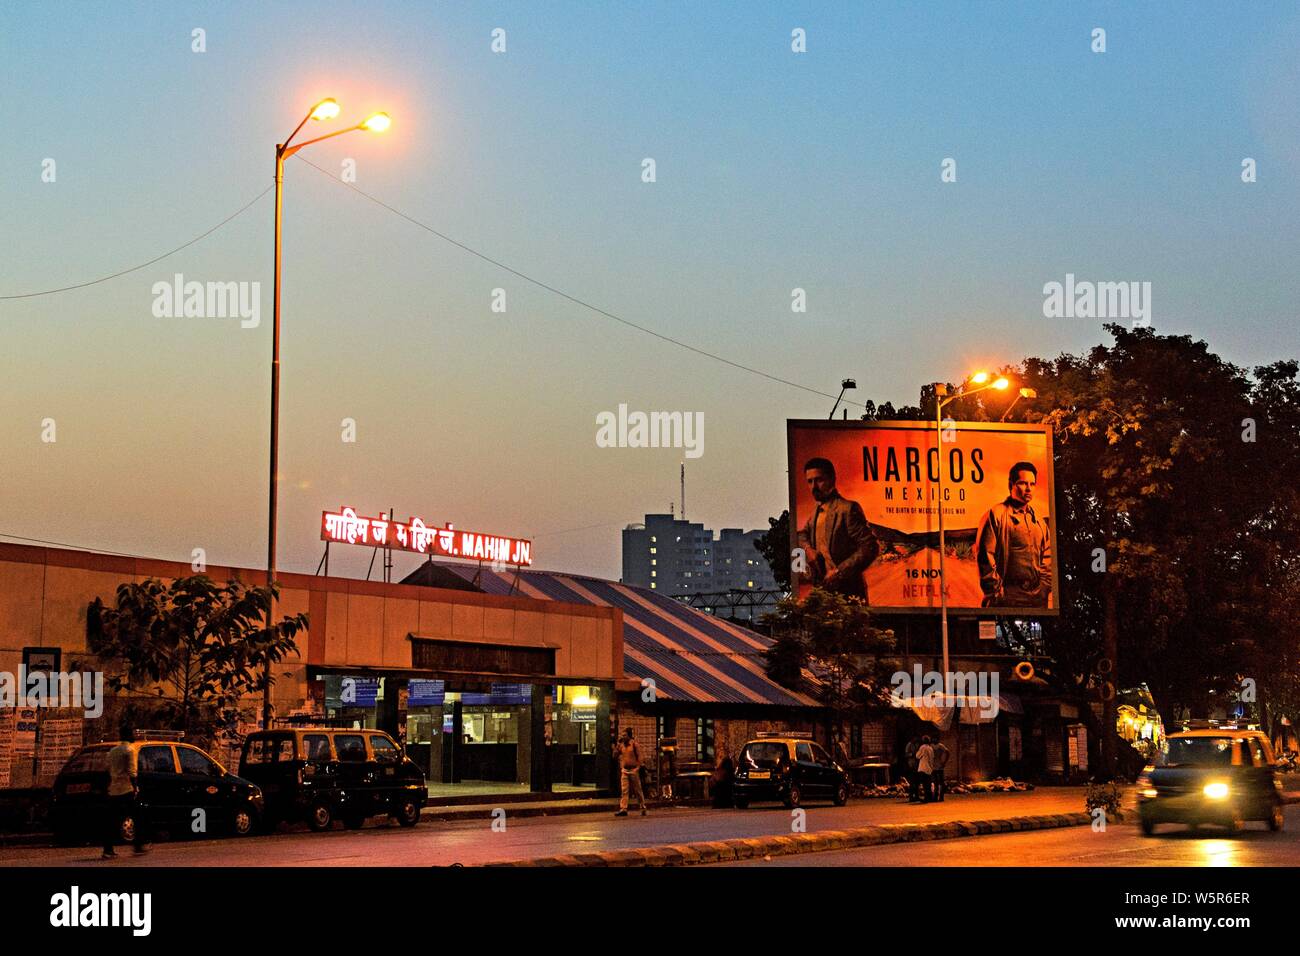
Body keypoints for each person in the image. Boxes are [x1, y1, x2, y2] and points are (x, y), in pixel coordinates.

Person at [798, 457, 880, 600]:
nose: (813, 487)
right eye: (809, 481)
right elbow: (803, 534)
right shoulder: (816, 511)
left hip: (848, 593)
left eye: (819, 480)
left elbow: (870, 547)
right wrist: (808, 549)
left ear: (832, 479)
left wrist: (839, 572)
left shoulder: (847, 509)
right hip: (823, 594)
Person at [976, 461, 1052, 608]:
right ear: (1011, 485)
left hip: (1035, 598)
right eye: (1023, 483)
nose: (1029, 489)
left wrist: (1043, 589)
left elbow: (1048, 559)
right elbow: (985, 557)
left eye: (1032, 484)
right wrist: (997, 594)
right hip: (1006, 598)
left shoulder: (1040, 522)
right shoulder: (996, 514)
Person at [102, 727, 148, 859]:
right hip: (126, 788)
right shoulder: (130, 750)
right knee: (137, 816)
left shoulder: (112, 751)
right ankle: (138, 846)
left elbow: (108, 770)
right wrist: (135, 787)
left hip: (114, 789)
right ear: (129, 735)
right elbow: (132, 771)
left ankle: (108, 849)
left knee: (112, 819)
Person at [613, 727, 647, 817]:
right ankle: (623, 808)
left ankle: (642, 806)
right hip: (625, 770)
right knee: (624, 790)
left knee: (637, 790)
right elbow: (615, 755)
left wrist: (638, 767)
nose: (623, 737)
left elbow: (640, 757)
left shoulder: (634, 745)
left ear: (629, 736)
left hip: (633, 770)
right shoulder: (621, 745)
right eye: (622, 735)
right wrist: (617, 746)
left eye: (625, 735)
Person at [915, 736, 936, 804]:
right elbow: (932, 758)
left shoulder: (922, 747)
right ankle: (929, 797)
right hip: (929, 768)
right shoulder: (930, 748)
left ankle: (926, 798)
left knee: (924, 784)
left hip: (923, 768)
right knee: (928, 784)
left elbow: (917, 756)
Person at [904, 735, 922, 803]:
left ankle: (916, 796)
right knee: (912, 782)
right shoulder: (909, 745)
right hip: (911, 765)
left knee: (917, 782)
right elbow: (906, 754)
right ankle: (911, 797)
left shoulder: (917, 744)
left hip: (917, 765)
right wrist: (912, 754)